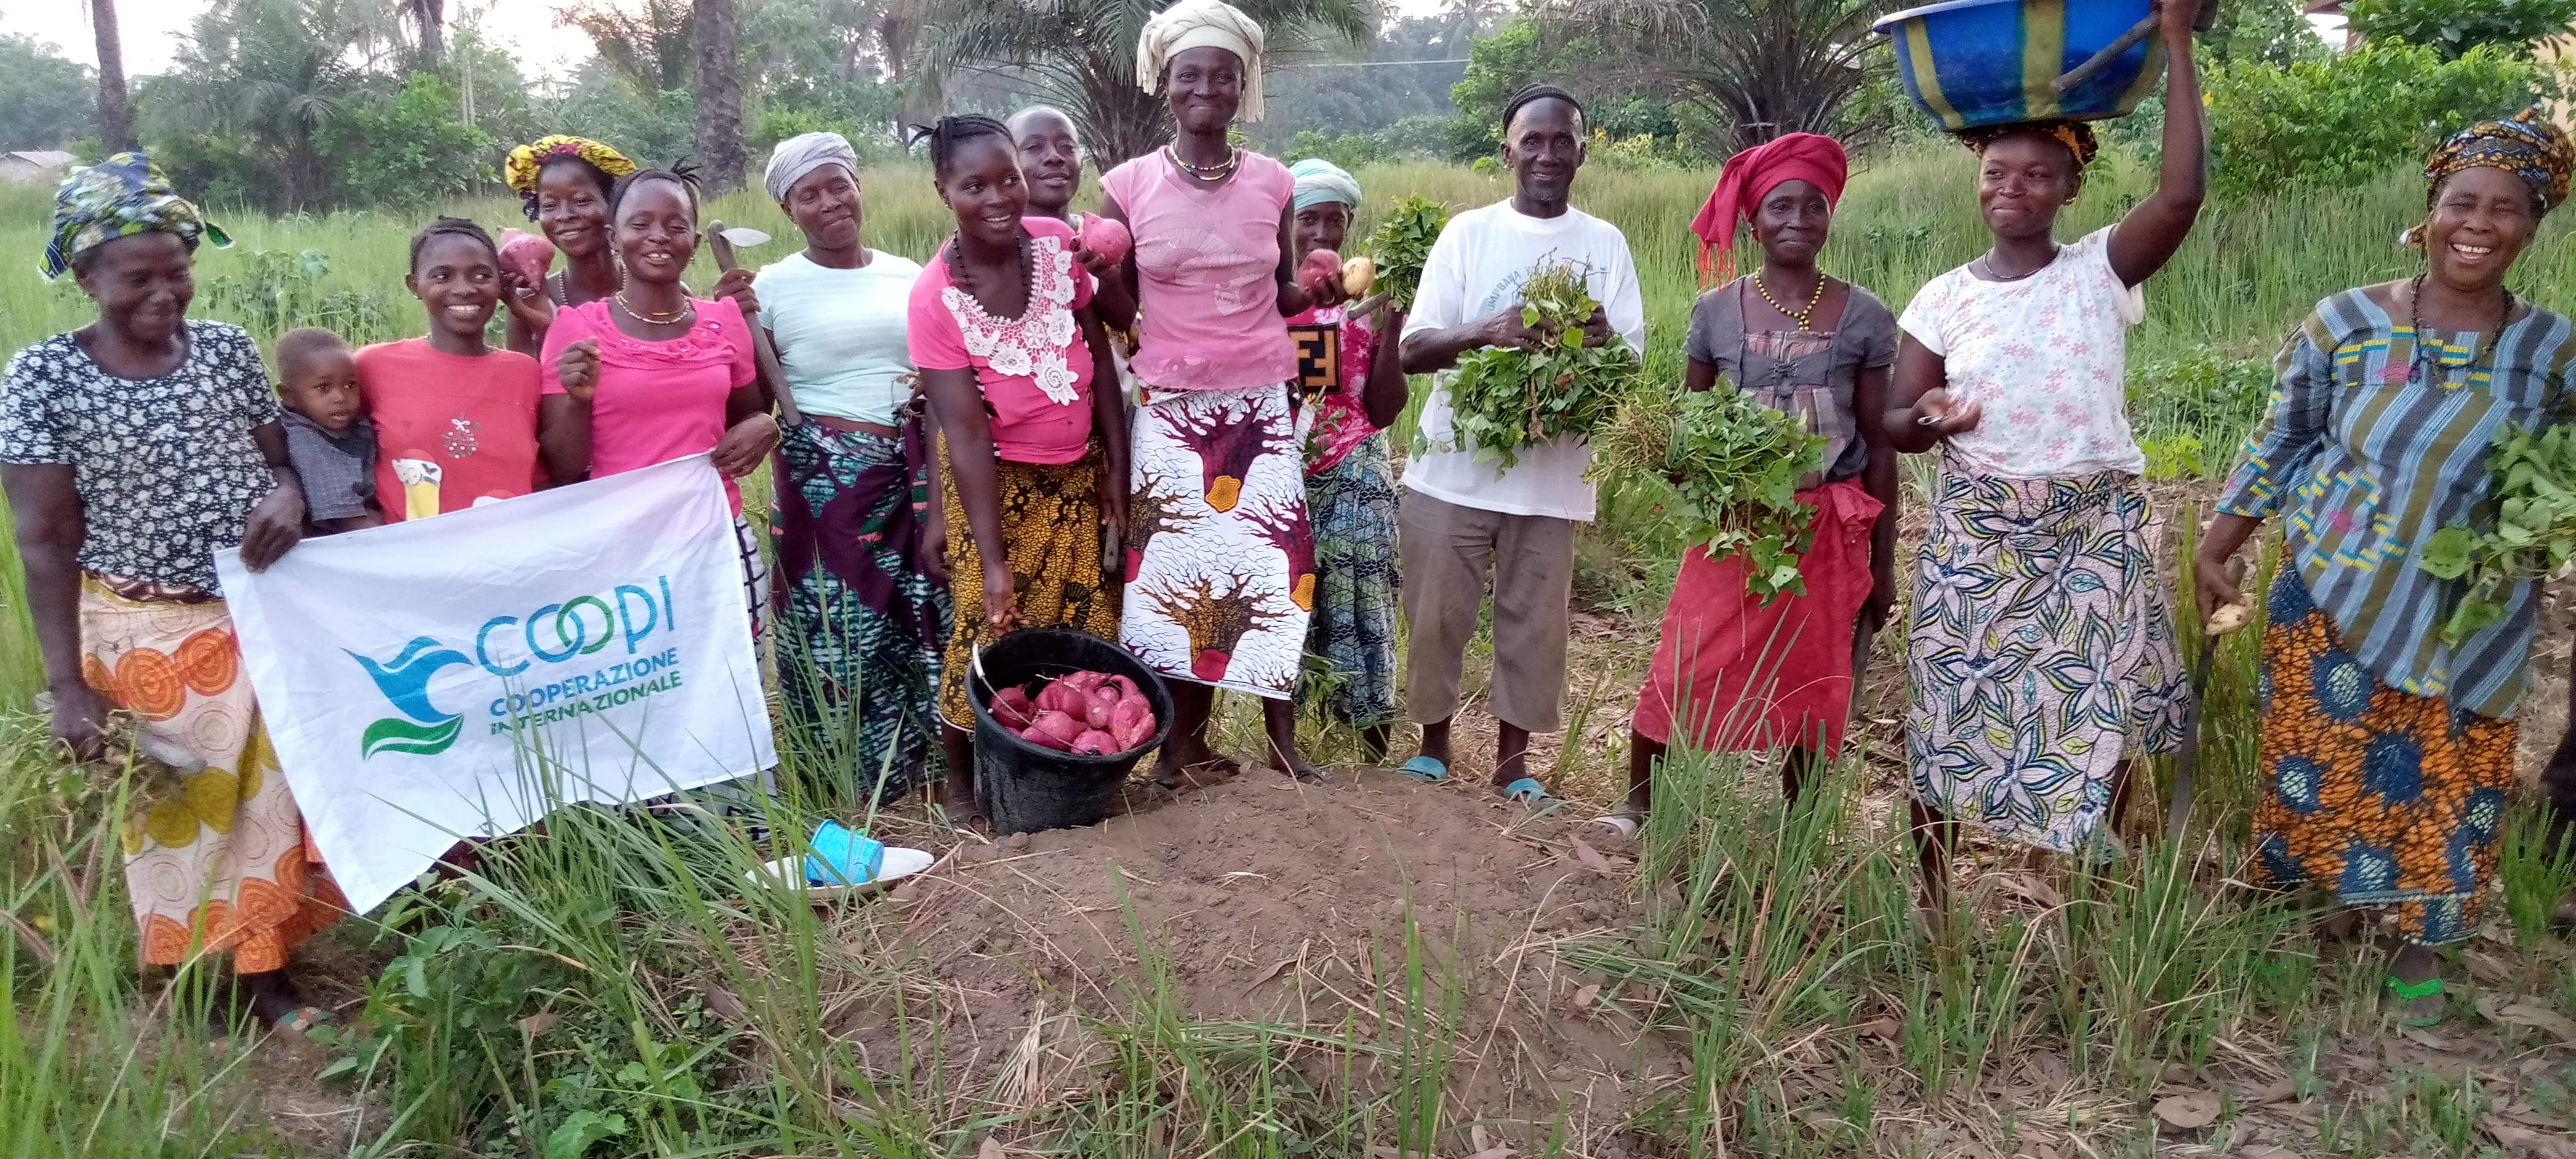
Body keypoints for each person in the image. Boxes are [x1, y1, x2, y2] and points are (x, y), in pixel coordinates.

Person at [2198, 110, 2576, 1022]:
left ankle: (2419, 941)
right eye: (2462, 202)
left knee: (2455, 770)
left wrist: (2535, 539)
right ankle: (2310, 907)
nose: (2478, 223)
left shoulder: (2554, 350)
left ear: (2533, 224)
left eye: (2506, 208)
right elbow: (2285, 438)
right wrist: (2220, 541)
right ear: (2431, 209)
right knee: (2316, 761)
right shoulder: (2349, 321)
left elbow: (2561, 472)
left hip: (2472, 605)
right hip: (2332, 581)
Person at [0, 154, 342, 1032]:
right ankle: (188, 975)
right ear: (86, 276)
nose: (164, 291)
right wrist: (68, 685)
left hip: (255, 613)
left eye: (177, 270)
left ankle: (267, 976)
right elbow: (42, 539)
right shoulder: (44, 378)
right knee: (175, 815)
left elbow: (279, 461)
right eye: (136, 275)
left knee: (269, 805)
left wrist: (288, 497)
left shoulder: (226, 349)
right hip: (139, 630)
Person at [1879, 1, 2205, 914]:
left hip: (2091, 530)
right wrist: (1931, 418)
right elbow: (1895, 422)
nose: (2011, 187)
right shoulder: (1942, 298)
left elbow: (2181, 195)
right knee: (1947, 714)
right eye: (1996, 172)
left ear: (2070, 187)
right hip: (1980, 535)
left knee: (2100, 713)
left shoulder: (2101, 269)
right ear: (1976, 182)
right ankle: (1934, 897)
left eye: (2036, 174)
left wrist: (2173, 40)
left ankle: (2084, 886)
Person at [1608, 132, 1899, 836]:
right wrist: (1669, 455)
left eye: (1813, 206)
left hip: (1822, 530)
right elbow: (1690, 421)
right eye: (1780, 207)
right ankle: (1637, 805)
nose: (1797, 220)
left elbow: (1881, 442)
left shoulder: (1863, 316)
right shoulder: (1714, 311)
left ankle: (1799, 825)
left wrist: (1883, 563)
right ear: (1752, 219)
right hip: (1733, 526)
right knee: (1685, 659)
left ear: (1829, 215)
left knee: (1813, 679)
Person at [1099, 0, 1341, 786]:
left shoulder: (1275, 183)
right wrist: (1091, 269)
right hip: (1170, 410)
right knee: (1171, 575)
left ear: (1243, 88)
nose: (1206, 87)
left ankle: (1281, 743)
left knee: (1279, 566)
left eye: (1223, 76)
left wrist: (1315, 285)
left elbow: (1279, 295)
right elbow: (1119, 307)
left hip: (1261, 405)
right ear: (1164, 85)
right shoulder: (1127, 186)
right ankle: (1176, 751)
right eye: (1189, 74)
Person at [1396, 85, 1645, 803]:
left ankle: (1514, 764)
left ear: (1582, 151)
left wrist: (1596, 341)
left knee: (1534, 625)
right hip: (1451, 473)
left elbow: (1629, 360)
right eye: (1530, 141)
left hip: (1552, 480)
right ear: (1505, 150)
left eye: (1561, 140)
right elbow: (1414, 349)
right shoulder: (1467, 234)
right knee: (1436, 616)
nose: (1546, 154)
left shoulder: (1605, 244)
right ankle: (1432, 747)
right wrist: (1486, 330)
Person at [911, 116, 1129, 820]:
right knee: (985, 621)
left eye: (1008, 177)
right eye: (974, 185)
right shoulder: (933, 299)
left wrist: (1115, 475)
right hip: (994, 483)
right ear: (944, 191)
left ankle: (1064, 773)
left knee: (1083, 626)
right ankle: (963, 785)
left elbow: (1100, 366)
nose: (999, 197)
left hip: (1075, 472)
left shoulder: (1058, 249)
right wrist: (995, 558)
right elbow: (965, 435)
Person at [752, 131, 949, 804]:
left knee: (917, 612)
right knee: (834, 626)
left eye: (839, 184)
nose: (830, 202)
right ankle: (839, 778)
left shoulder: (906, 273)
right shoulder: (768, 289)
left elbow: (940, 361)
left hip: (912, 468)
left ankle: (920, 770)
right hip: (826, 482)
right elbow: (751, 397)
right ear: (789, 211)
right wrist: (734, 320)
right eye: (809, 194)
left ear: (858, 187)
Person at [539, 167, 781, 636]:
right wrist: (578, 401)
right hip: (622, 550)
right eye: (640, 224)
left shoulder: (724, 321)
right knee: (646, 699)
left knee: (737, 683)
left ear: (693, 239)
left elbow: (747, 418)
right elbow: (565, 467)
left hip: (717, 536)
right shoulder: (575, 329)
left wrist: (765, 428)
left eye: (675, 226)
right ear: (613, 236)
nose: (659, 237)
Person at [1277, 158, 1408, 760]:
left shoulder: (1369, 294)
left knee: (1362, 592)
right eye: (1310, 220)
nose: (1324, 234)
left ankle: (1370, 742)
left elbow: (1382, 410)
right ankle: (1290, 738)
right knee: (1288, 596)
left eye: (1336, 220)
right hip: (1281, 467)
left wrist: (1391, 323)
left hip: (1356, 460)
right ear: (1285, 224)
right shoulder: (1270, 295)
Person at [357, 216, 547, 521]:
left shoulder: (526, 375)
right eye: (442, 277)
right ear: (414, 285)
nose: (464, 289)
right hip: (415, 560)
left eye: (482, 276)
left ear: (501, 282)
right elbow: (329, 445)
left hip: (510, 557)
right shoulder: (372, 366)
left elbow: (545, 477)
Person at [502, 135, 638, 357]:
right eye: (550, 205)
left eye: (582, 201)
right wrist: (542, 330)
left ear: (614, 206)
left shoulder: (657, 292)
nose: (564, 216)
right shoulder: (528, 302)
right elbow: (527, 386)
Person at [1009, 105, 1139, 332]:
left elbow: (1126, 323)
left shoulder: (1103, 240)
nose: (1054, 157)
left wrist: (1109, 280)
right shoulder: (996, 249)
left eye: (1067, 146)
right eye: (1034, 147)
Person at [272, 328, 383, 534]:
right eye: (324, 388)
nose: (340, 397)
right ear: (288, 395)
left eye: (350, 385)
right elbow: (347, 519)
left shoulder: (351, 422)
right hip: (334, 537)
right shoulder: (304, 439)